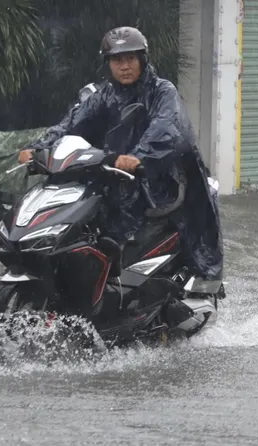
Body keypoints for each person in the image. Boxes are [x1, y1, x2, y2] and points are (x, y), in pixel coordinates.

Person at [18, 26, 223, 279]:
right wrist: (40, 148)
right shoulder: (103, 95)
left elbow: (166, 127)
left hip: (158, 179)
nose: (124, 66)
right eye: (117, 60)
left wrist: (140, 156)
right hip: (113, 173)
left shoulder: (162, 91)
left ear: (142, 60)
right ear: (108, 64)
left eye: (130, 59)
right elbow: (71, 123)